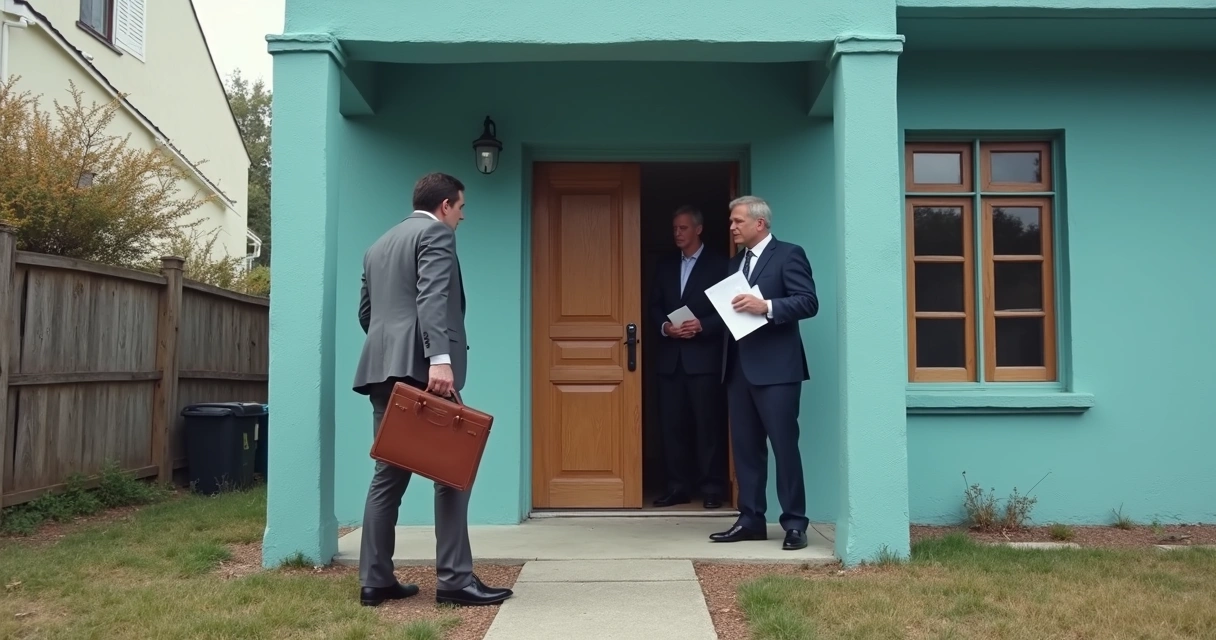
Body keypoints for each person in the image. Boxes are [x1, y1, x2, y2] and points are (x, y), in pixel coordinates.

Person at [352, 172, 513, 607]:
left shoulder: (377, 246)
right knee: (453, 470)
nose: (462, 217)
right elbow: (432, 297)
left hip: (382, 369)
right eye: (461, 207)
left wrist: (394, 350)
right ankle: (455, 580)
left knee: (387, 475)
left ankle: (375, 581)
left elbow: (367, 314)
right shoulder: (437, 234)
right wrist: (438, 359)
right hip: (426, 372)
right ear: (445, 206)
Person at [709, 195, 819, 551]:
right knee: (745, 450)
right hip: (738, 370)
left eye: (737, 221)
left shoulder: (789, 254)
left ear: (760, 223)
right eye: (731, 221)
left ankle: (795, 524)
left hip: (778, 371)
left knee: (784, 447)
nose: (732, 227)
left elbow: (808, 302)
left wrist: (767, 306)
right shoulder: (734, 264)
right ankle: (751, 519)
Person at [647, 206, 730, 509]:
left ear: (698, 229)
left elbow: (731, 310)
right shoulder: (665, 265)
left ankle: (712, 488)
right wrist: (665, 327)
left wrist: (703, 325)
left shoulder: (720, 265)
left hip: (704, 361)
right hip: (670, 361)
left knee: (708, 427)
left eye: (683, 228)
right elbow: (654, 305)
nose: (677, 234)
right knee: (672, 427)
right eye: (674, 229)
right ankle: (677, 487)